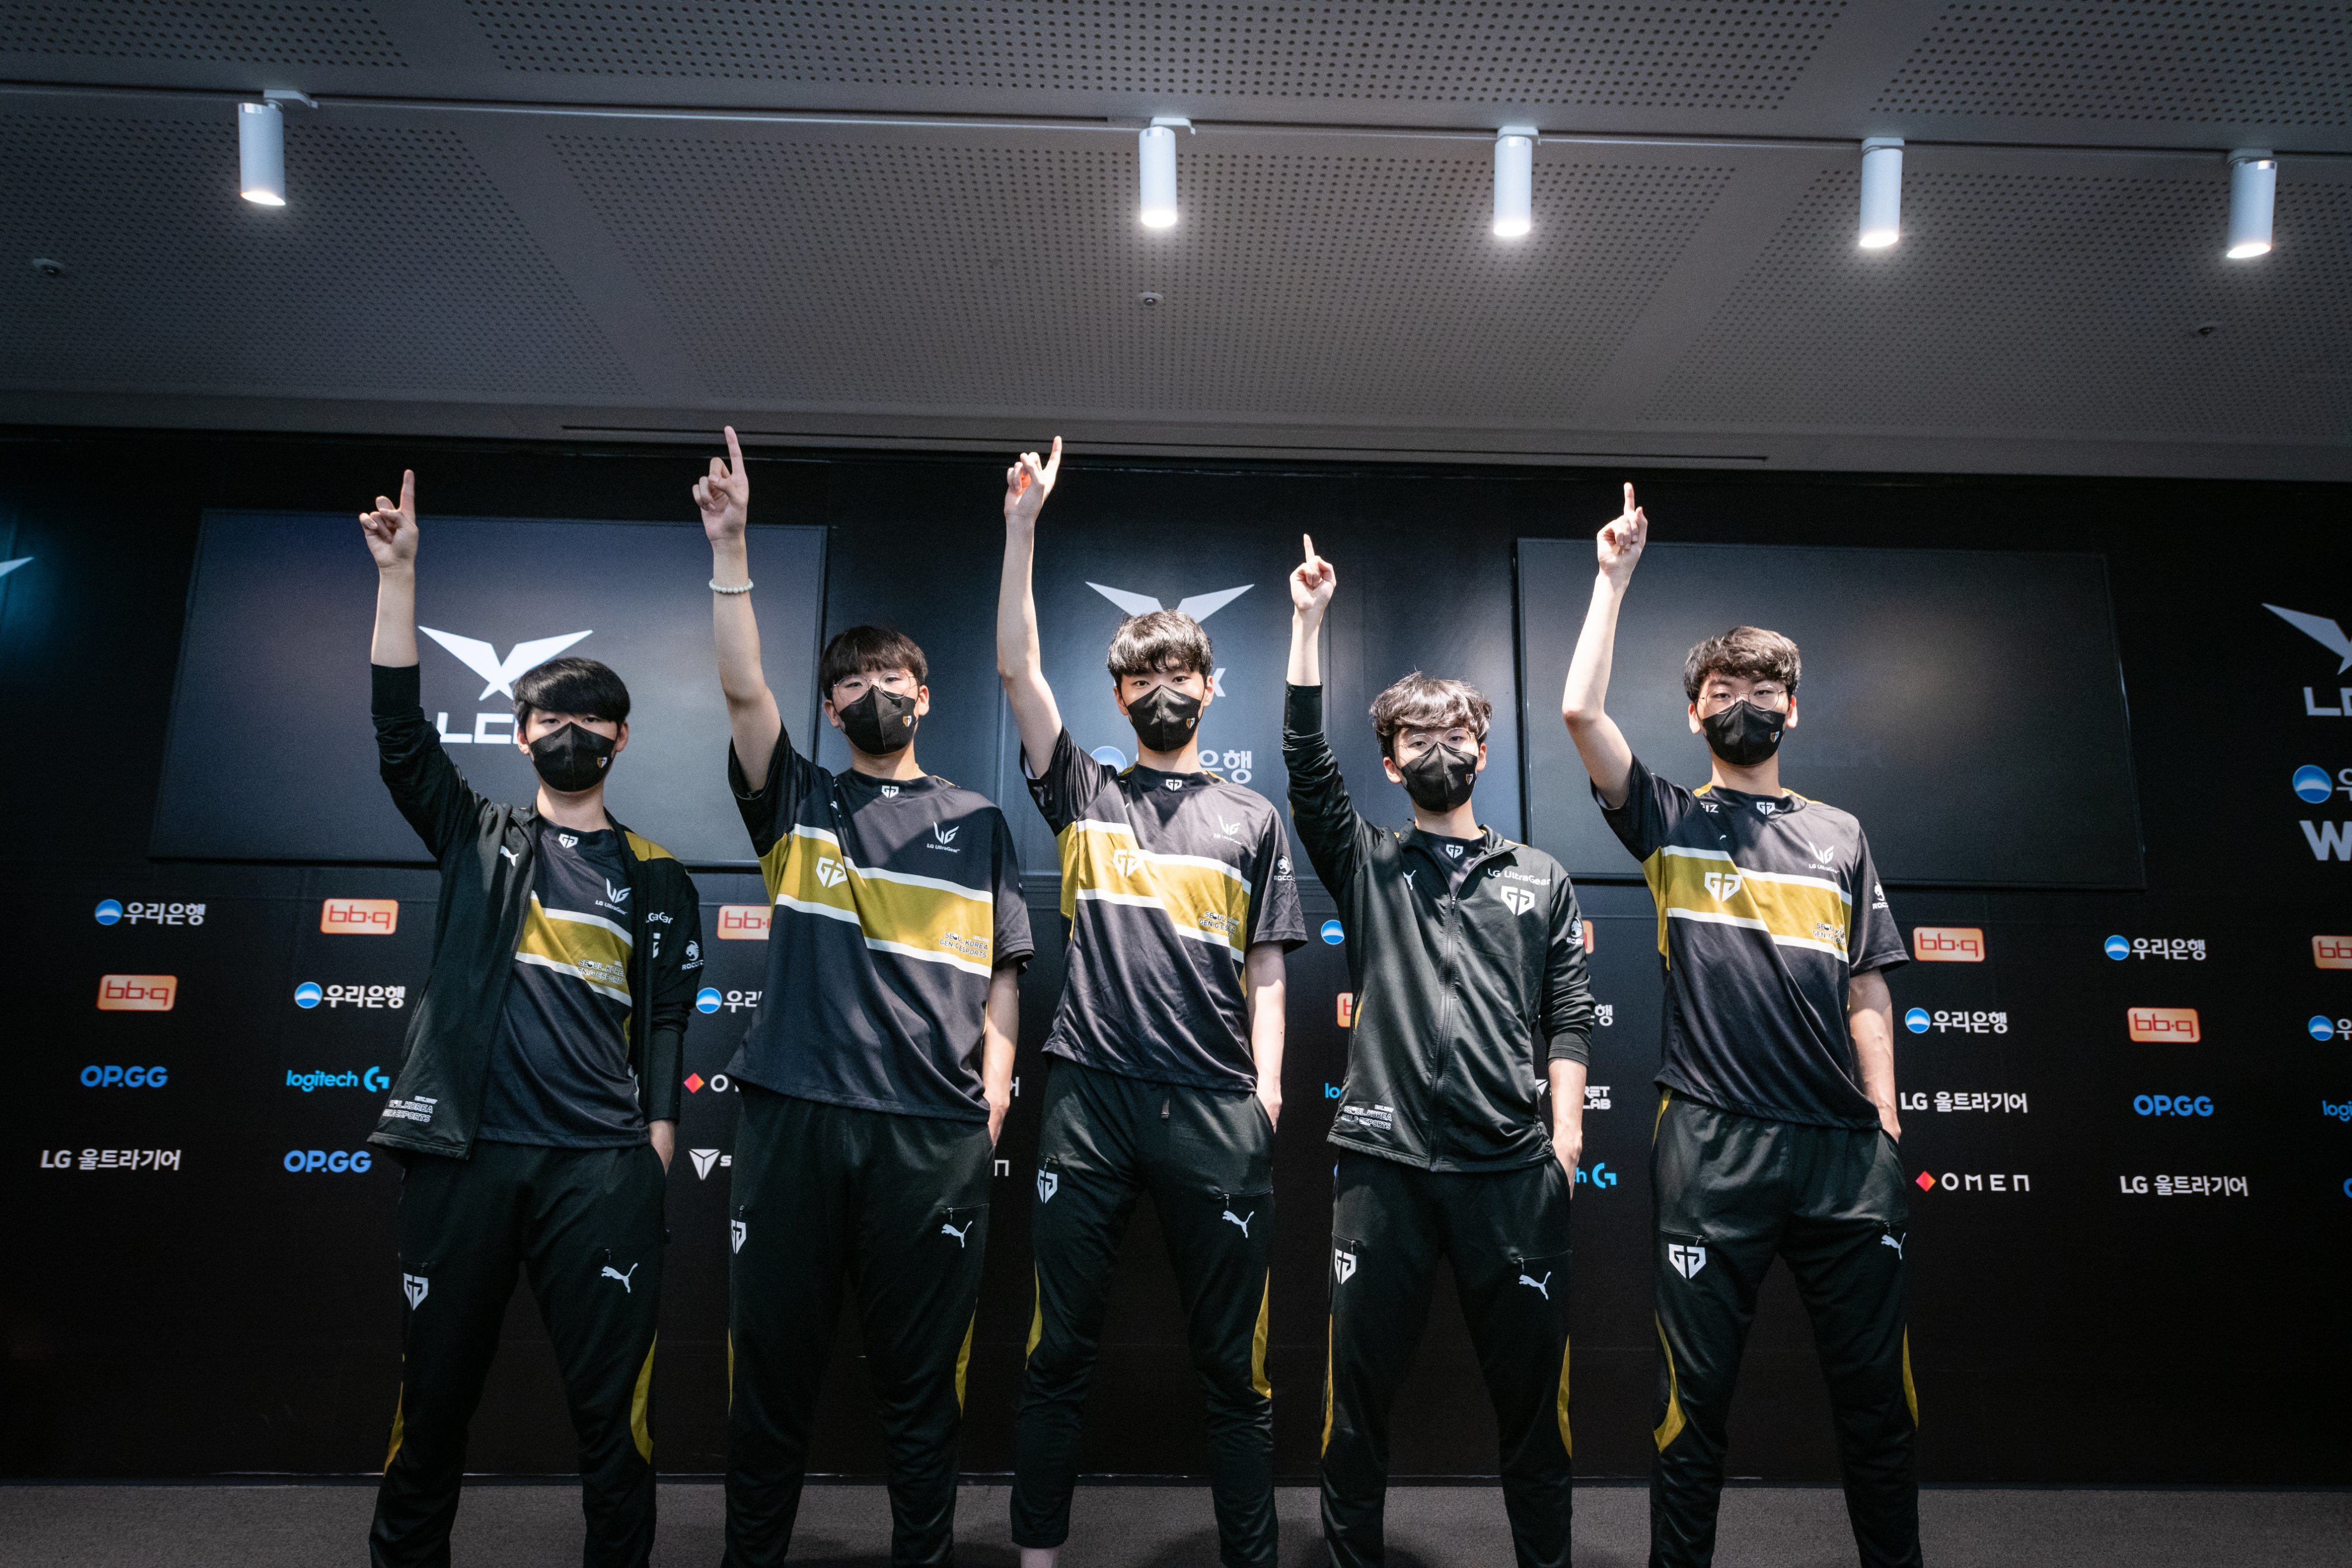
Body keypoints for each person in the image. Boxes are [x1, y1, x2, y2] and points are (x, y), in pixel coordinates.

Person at [1558, 485, 1918, 1568]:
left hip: (1845, 1154)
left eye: (1765, 690)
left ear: (1793, 710)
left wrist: (1886, 1118)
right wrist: (1612, 579)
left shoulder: (1841, 834)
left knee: (1879, 1406)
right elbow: (1580, 715)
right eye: (1724, 691)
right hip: (1714, 1142)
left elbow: (1868, 984)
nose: (1745, 704)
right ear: (1695, 713)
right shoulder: (1671, 820)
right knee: (1693, 1408)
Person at [695, 429, 1033, 1568]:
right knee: (771, 1380)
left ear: (924, 698)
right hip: (794, 1115)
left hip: (930, 1134)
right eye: (851, 683)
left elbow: (1003, 973)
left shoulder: (978, 821)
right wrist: (731, 548)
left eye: (892, 679)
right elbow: (742, 685)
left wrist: (992, 1096)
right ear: (831, 711)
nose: (874, 692)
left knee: (920, 1388)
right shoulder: (794, 798)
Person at [358, 469, 705, 1568]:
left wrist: (658, 1136)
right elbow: (401, 735)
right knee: (431, 1414)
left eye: (591, 719)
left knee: (615, 1425)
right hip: (462, 1156)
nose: (571, 732)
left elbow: (666, 1017)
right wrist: (399, 577)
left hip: (598, 1166)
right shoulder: (474, 835)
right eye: (551, 718)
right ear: (520, 736)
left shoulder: (657, 874)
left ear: (622, 738)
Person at [995, 439, 1304, 1568]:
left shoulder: (1252, 817)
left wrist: (1269, 1089)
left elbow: (1268, 966)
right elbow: (1018, 670)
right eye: (1144, 675)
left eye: (1184, 672)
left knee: (1235, 1368)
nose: (1165, 688)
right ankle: (1037, 1554)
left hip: (1216, 1106)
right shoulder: (1082, 788)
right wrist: (1022, 528)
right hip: (1089, 1100)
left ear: (1210, 688)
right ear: (1120, 693)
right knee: (1056, 1354)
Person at [1282, 536, 1596, 1568]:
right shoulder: (1366, 860)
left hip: (1511, 1172)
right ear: (1391, 762)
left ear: (1484, 750)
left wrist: (1562, 1140)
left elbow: (1569, 1014)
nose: (1439, 749)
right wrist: (1308, 625)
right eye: (1416, 737)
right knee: (1355, 1412)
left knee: (1535, 1416)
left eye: (1457, 733)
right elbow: (1305, 764)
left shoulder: (1541, 877)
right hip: (1385, 1168)